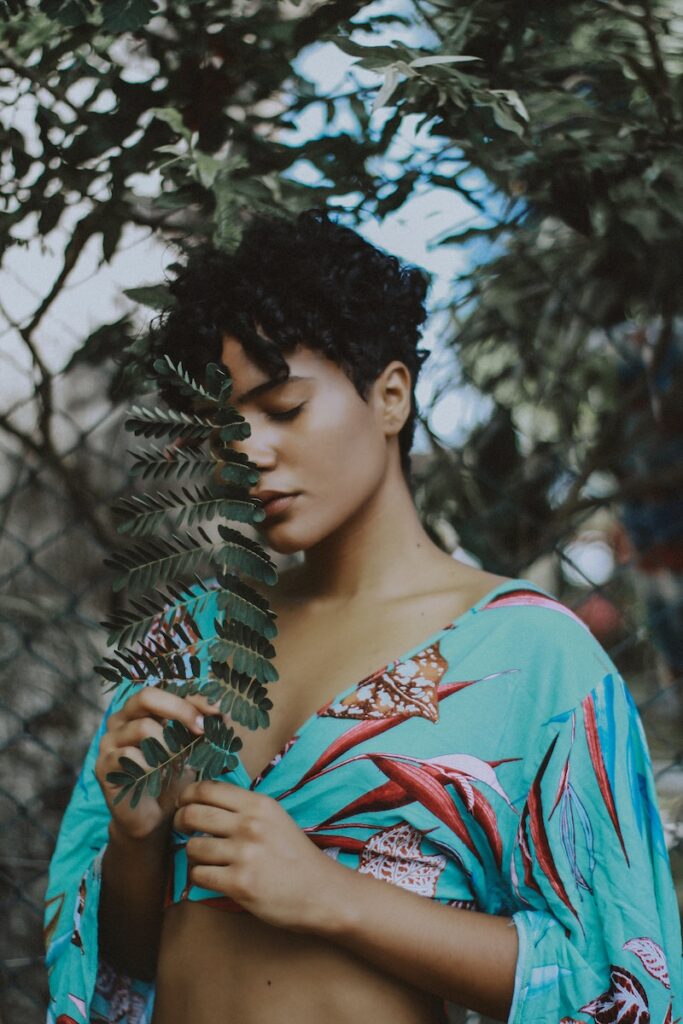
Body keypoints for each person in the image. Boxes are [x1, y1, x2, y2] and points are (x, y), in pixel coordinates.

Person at [44, 210, 682, 1024]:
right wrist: (135, 843)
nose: (248, 452)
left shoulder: (530, 653)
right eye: (221, 428)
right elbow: (126, 963)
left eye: (282, 410)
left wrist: (331, 896)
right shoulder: (190, 639)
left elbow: (611, 979)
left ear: (390, 396)